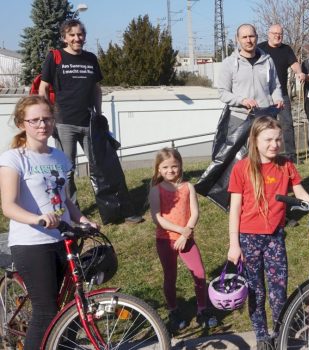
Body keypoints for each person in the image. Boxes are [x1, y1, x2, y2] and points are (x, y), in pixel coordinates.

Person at [0, 96, 98, 350]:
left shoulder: (59, 157)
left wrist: (84, 220)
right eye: (35, 120)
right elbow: (8, 205)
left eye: (47, 118)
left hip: (63, 239)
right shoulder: (13, 158)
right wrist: (38, 218)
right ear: (23, 124)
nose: (42, 125)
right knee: (46, 311)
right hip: (32, 241)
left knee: (70, 306)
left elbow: (65, 201)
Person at [226, 116, 309, 349]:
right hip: (248, 239)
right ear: (255, 140)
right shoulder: (242, 168)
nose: (274, 144)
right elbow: (235, 208)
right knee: (256, 291)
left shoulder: (286, 165)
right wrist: (234, 244)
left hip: (275, 238)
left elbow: (300, 194)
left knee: (279, 291)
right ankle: (261, 336)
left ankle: (281, 331)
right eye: (268, 139)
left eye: (278, 139)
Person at [38, 19, 142, 224]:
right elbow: (43, 87)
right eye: (72, 35)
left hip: (90, 123)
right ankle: (72, 214)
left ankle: (115, 209)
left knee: (102, 167)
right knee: (66, 171)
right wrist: (47, 116)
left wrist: (99, 114)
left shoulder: (90, 59)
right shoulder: (55, 57)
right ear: (64, 37)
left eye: (80, 34)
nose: (77, 38)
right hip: (64, 122)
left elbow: (96, 89)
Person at [148, 148, 217, 331]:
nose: (170, 170)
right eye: (165, 167)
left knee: (200, 273)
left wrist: (187, 233)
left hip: (187, 240)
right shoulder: (156, 190)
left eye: (174, 166)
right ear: (158, 169)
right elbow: (158, 218)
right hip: (166, 241)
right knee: (170, 276)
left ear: (180, 166)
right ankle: (173, 310)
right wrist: (181, 231)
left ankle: (202, 309)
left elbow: (195, 213)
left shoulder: (188, 187)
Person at [218, 24, 283, 131]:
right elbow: (222, 92)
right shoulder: (229, 63)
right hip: (239, 118)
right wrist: (242, 100)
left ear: (257, 37)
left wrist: (278, 98)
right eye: (244, 37)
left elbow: (275, 86)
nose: (249, 40)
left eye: (251, 36)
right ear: (237, 39)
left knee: (265, 148)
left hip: (265, 117)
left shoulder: (267, 60)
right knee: (242, 149)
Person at [258, 24, 304, 163]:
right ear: (269, 34)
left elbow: (294, 63)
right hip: (264, 95)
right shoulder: (260, 49)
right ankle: (263, 156)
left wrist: (300, 72)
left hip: (282, 94)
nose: (277, 36)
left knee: (287, 124)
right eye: (275, 33)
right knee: (264, 126)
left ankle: (291, 156)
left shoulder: (286, 49)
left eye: (280, 34)